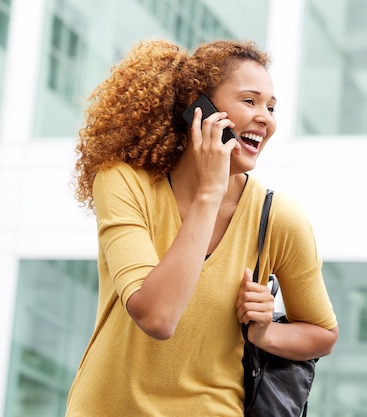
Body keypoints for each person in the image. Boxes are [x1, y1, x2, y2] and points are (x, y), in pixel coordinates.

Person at [66, 38, 338, 416]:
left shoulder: (278, 217)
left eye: (271, 107)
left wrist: (265, 332)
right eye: (249, 101)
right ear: (198, 109)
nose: (266, 119)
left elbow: (323, 334)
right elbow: (157, 317)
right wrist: (210, 191)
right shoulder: (125, 182)